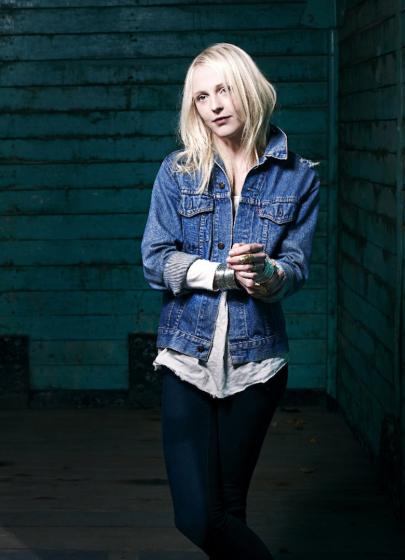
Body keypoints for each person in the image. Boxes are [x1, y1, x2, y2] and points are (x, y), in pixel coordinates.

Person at [140, 43, 320, 559]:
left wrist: (268, 276)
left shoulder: (300, 176)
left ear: (249, 89)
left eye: (224, 90)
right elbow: (155, 261)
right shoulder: (178, 172)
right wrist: (223, 275)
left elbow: (296, 268)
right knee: (198, 518)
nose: (215, 105)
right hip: (187, 358)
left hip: (257, 363)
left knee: (229, 510)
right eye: (201, 97)